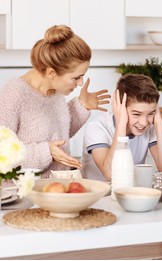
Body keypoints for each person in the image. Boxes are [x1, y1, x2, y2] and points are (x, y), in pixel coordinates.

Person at [0, 25, 109, 178]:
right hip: (22, 196)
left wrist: (82, 105)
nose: (80, 83)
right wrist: (46, 151)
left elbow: (58, 135)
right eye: (76, 77)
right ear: (52, 73)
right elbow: (2, 152)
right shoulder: (14, 94)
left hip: (55, 189)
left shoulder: (55, 93)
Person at [82, 73, 162, 181]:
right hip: (100, 196)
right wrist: (121, 123)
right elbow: (111, 174)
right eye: (136, 114)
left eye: (150, 113)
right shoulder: (97, 127)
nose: (144, 122)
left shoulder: (150, 127)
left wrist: (159, 123)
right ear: (120, 107)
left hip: (130, 193)